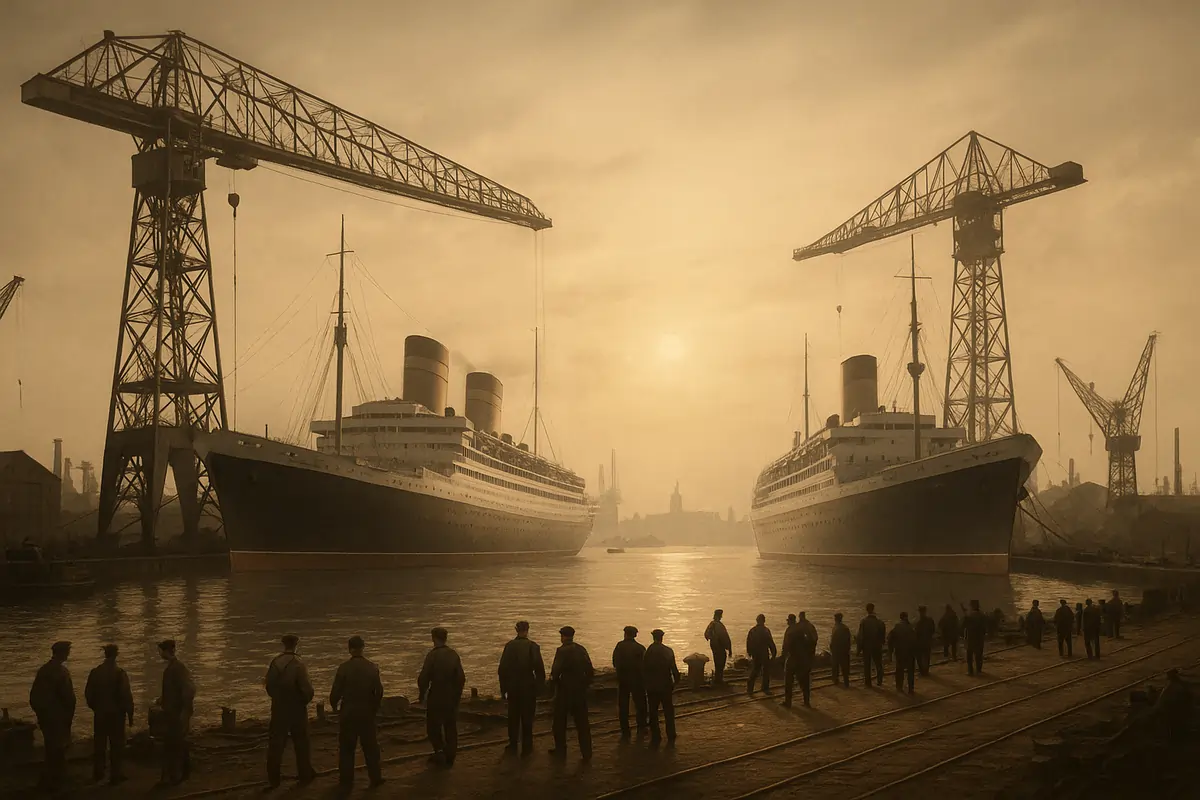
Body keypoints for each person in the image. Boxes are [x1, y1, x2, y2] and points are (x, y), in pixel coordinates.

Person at [330, 636, 384, 788]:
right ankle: (375, 778)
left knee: (347, 748)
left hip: (348, 712)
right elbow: (379, 691)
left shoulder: (343, 668)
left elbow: (335, 693)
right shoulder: (372, 667)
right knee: (370, 747)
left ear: (349, 649)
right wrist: (374, 707)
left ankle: (346, 780)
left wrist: (334, 707)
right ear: (363, 647)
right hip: (366, 712)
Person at [264, 634, 316, 788]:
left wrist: (278, 699)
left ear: (283, 645)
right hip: (296, 708)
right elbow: (307, 689)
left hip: (279, 707)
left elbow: (269, 686)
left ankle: (274, 779)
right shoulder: (298, 663)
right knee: (301, 742)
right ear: (296, 644)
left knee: (276, 744)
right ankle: (304, 774)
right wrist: (304, 701)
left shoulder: (275, 662)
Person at [85, 643, 133, 786]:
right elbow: (126, 696)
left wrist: (95, 708)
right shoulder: (120, 673)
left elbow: (88, 694)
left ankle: (98, 773)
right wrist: (130, 715)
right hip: (116, 715)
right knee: (117, 745)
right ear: (116, 655)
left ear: (105, 655)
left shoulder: (95, 672)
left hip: (100, 714)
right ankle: (115, 775)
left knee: (99, 744)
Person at [30, 641, 75, 791]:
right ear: (62, 653)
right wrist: (68, 718)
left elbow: (34, 697)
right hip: (58, 717)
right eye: (67, 652)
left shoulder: (43, 670)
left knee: (50, 747)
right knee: (58, 748)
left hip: (46, 716)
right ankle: (57, 781)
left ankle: (48, 779)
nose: (68, 654)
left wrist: (41, 713)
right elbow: (69, 698)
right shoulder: (61, 672)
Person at [419, 627, 465, 767]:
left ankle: (439, 752)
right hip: (451, 695)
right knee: (450, 726)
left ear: (434, 638)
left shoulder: (432, 656)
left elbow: (424, 678)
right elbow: (461, 678)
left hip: (437, 695)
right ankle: (450, 756)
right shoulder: (453, 654)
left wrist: (422, 694)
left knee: (433, 726)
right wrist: (457, 695)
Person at [498, 620, 545, 755]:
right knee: (527, 717)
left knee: (513, 716)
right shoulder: (533, 646)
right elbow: (539, 670)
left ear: (516, 629)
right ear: (528, 629)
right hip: (528, 686)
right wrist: (538, 688)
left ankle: (513, 743)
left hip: (513, 686)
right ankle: (527, 745)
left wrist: (503, 689)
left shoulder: (509, 646)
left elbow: (502, 669)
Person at [549, 626, 594, 759]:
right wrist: (585, 684)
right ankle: (586, 752)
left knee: (559, 723)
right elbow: (590, 670)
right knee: (582, 723)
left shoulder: (561, 651)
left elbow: (555, 672)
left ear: (563, 636)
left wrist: (552, 687)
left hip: (564, 692)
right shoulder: (581, 649)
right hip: (580, 691)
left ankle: (561, 751)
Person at [156, 640, 194, 786]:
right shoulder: (174, 668)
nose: (160, 654)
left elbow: (189, 690)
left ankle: (176, 776)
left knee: (174, 744)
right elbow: (176, 690)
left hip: (177, 713)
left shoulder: (177, 668)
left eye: (161, 651)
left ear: (166, 652)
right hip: (173, 712)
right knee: (178, 743)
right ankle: (183, 773)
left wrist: (184, 713)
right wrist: (162, 700)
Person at [642, 629, 681, 743]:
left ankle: (656, 735)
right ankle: (671, 733)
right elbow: (674, 668)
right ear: (662, 637)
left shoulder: (648, 651)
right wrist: (676, 682)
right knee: (668, 710)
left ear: (653, 637)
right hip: (665, 685)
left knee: (653, 712)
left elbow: (644, 669)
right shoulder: (668, 651)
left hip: (652, 686)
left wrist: (646, 683)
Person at [611, 625, 647, 738]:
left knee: (623, 705)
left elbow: (615, 662)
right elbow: (645, 665)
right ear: (635, 635)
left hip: (623, 680)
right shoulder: (640, 648)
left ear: (625, 634)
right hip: (638, 680)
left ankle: (625, 730)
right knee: (640, 704)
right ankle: (641, 726)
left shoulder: (619, 646)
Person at [783, 612, 817, 707]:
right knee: (804, 680)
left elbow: (785, 646)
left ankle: (788, 702)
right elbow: (811, 641)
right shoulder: (803, 629)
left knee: (789, 681)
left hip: (792, 658)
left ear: (789, 621)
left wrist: (783, 657)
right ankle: (806, 702)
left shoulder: (789, 630)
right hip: (802, 658)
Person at [745, 614, 777, 695]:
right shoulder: (765, 630)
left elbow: (748, 642)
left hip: (755, 653)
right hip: (763, 652)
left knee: (755, 670)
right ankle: (765, 688)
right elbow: (770, 642)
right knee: (766, 671)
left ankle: (750, 689)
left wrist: (750, 652)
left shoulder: (752, 630)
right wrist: (774, 653)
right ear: (764, 621)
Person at [888, 612, 917, 694]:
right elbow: (915, 640)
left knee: (899, 670)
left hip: (900, 652)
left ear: (900, 618)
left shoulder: (897, 627)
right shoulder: (911, 627)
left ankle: (899, 687)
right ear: (906, 617)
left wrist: (890, 651)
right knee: (910, 671)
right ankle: (911, 688)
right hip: (910, 652)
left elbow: (890, 639)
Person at [857, 604, 887, 687]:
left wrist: (859, 649)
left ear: (867, 610)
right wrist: (881, 643)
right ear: (873, 609)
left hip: (867, 646)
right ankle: (879, 680)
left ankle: (868, 683)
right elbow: (883, 635)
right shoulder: (879, 622)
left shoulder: (863, 621)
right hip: (877, 645)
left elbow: (860, 636)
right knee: (878, 663)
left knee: (867, 665)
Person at [704, 609, 733, 685]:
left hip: (714, 646)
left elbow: (706, 635)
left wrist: (711, 638)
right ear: (719, 616)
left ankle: (718, 679)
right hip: (719, 646)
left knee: (717, 662)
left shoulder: (711, 624)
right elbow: (724, 637)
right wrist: (729, 648)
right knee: (721, 661)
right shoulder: (719, 625)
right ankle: (719, 679)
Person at [963, 600, 988, 676]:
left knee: (969, 655)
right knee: (979, 655)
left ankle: (970, 671)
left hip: (971, 638)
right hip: (980, 638)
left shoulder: (970, 616)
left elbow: (964, 625)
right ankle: (979, 670)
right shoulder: (982, 615)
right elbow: (985, 627)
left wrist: (965, 616)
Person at [829, 613, 852, 688]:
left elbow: (833, 640)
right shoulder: (845, 628)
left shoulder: (835, 628)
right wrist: (848, 649)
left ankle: (835, 679)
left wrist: (831, 648)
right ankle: (846, 681)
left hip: (836, 649)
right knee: (844, 666)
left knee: (835, 665)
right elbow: (849, 640)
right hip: (844, 650)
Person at [914, 606, 935, 676]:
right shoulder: (930, 620)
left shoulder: (918, 622)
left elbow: (916, 633)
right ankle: (926, 671)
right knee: (926, 656)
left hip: (920, 642)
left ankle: (922, 671)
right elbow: (933, 630)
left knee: (919, 657)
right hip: (927, 641)